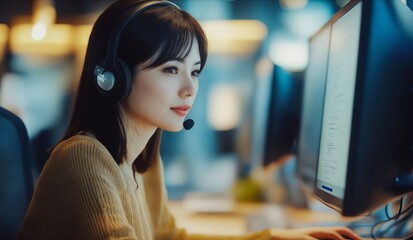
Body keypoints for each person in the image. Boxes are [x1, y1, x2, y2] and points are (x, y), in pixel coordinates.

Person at [18, 0, 362, 239]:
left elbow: (168, 236)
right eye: (170, 69)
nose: (189, 89)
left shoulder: (143, 162)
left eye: (194, 71)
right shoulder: (83, 158)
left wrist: (272, 237)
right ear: (113, 76)